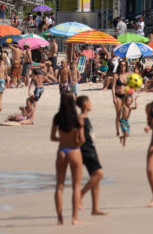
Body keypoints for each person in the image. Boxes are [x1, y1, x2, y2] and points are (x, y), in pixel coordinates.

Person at [51, 93, 85, 225]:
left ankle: (59, 218)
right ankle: (74, 218)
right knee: (76, 187)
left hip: (62, 151)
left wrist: (63, 140)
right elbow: (82, 139)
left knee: (59, 186)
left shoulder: (57, 118)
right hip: (74, 151)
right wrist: (74, 141)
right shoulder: (78, 118)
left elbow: (53, 137)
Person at [76, 95, 106, 216]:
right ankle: (80, 196)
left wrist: (96, 152)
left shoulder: (86, 118)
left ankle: (95, 209)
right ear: (84, 104)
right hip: (85, 150)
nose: (91, 104)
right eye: (89, 102)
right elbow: (79, 137)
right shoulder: (80, 118)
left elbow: (91, 137)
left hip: (91, 149)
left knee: (95, 178)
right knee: (99, 174)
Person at [113, 60, 130, 136]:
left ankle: (125, 129)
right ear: (119, 66)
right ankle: (117, 131)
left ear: (126, 66)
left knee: (125, 114)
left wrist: (130, 96)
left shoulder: (128, 75)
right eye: (121, 65)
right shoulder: (116, 75)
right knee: (118, 114)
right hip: (118, 95)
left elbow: (130, 86)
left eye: (124, 65)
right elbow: (113, 87)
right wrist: (114, 98)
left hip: (125, 95)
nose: (122, 67)